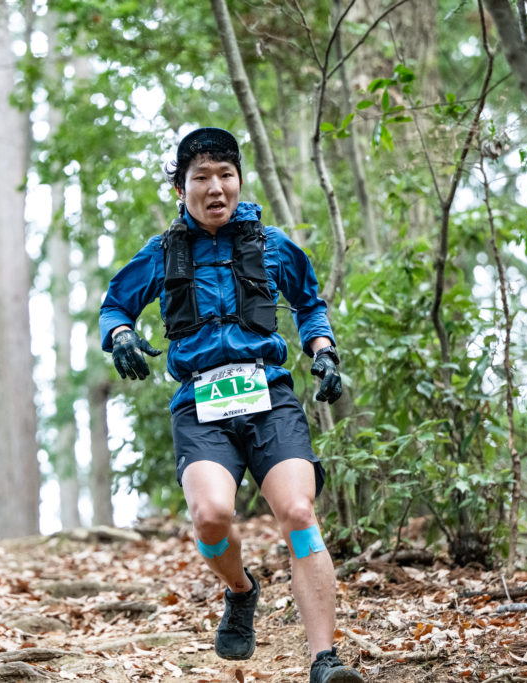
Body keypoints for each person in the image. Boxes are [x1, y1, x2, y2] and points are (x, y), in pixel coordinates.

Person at [100, 127, 364, 683]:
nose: (215, 187)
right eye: (201, 177)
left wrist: (323, 351)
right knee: (212, 517)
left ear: (239, 182)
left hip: (270, 397)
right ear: (181, 189)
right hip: (201, 403)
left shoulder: (272, 245)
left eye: (226, 175)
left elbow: (309, 304)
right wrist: (120, 335)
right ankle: (241, 590)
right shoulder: (163, 253)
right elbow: (116, 305)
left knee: (299, 515)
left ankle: (325, 660)